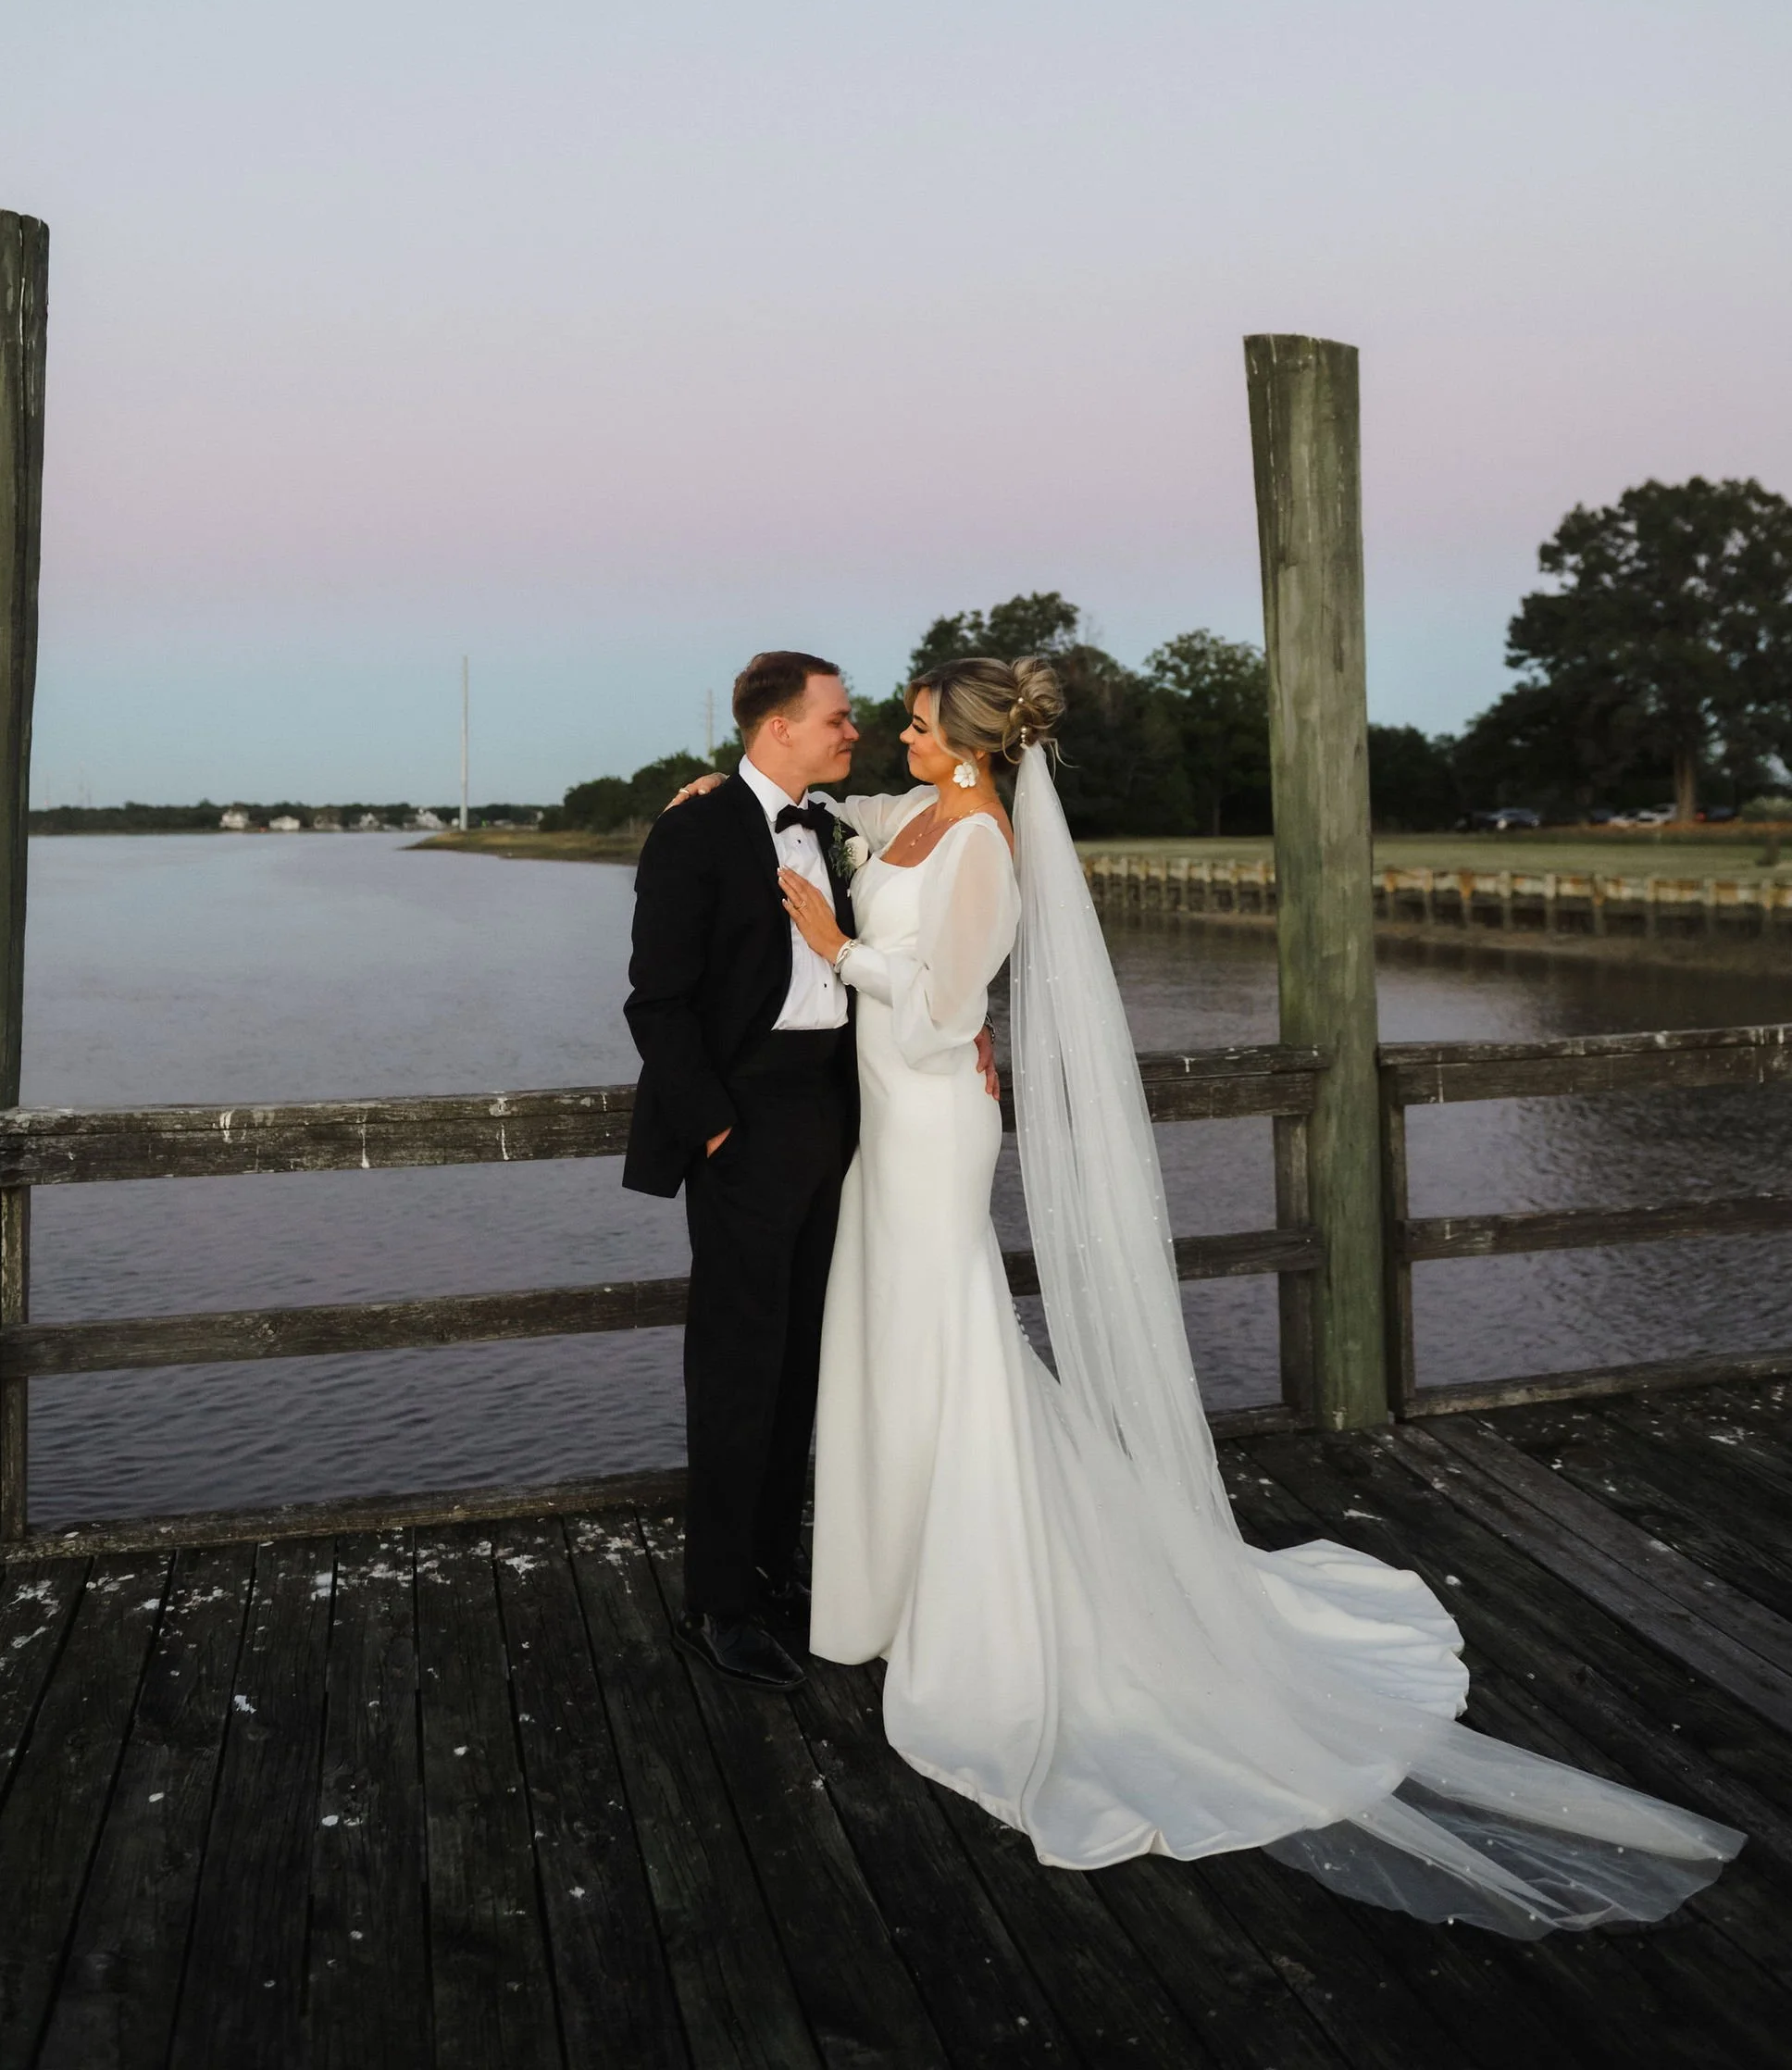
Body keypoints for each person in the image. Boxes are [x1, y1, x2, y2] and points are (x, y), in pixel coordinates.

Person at [673, 652, 1742, 1936]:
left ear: (962, 742)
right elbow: (848, 823)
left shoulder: (983, 846)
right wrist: (744, 797)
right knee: (904, 1336)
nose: (894, 738)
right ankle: (894, 1575)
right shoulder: (925, 818)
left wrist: (838, 946)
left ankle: (970, 1592)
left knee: (944, 1331)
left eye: (910, 724)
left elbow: (947, 1009)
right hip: (893, 1125)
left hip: (933, 1114)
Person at [623, 648, 994, 1692]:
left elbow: (941, 942)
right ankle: (719, 1604)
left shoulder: (831, 824)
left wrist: (967, 1030)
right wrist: (712, 1134)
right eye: (836, 718)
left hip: (845, 1116)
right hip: (744, 1125)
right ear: (776, 726)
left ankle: (775, 1568)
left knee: (805, 1365)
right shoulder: (692, 831)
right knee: (737, 1369)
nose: (854, 732)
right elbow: (657, 1002)